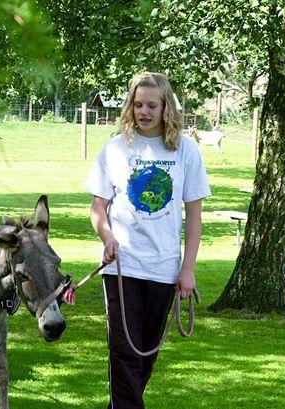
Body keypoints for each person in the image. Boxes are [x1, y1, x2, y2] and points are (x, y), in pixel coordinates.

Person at [84, 72, 211, 409]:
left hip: (164, 268)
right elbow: (98, 207)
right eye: (138, 104)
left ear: (166, 106)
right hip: (122, 267)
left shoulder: (185, 150)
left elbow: (195, 215)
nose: (144, 111)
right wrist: (107, 236)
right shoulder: (115, 148)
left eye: (151, 105)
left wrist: (188, 268)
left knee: (145, 357)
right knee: (124, 354)